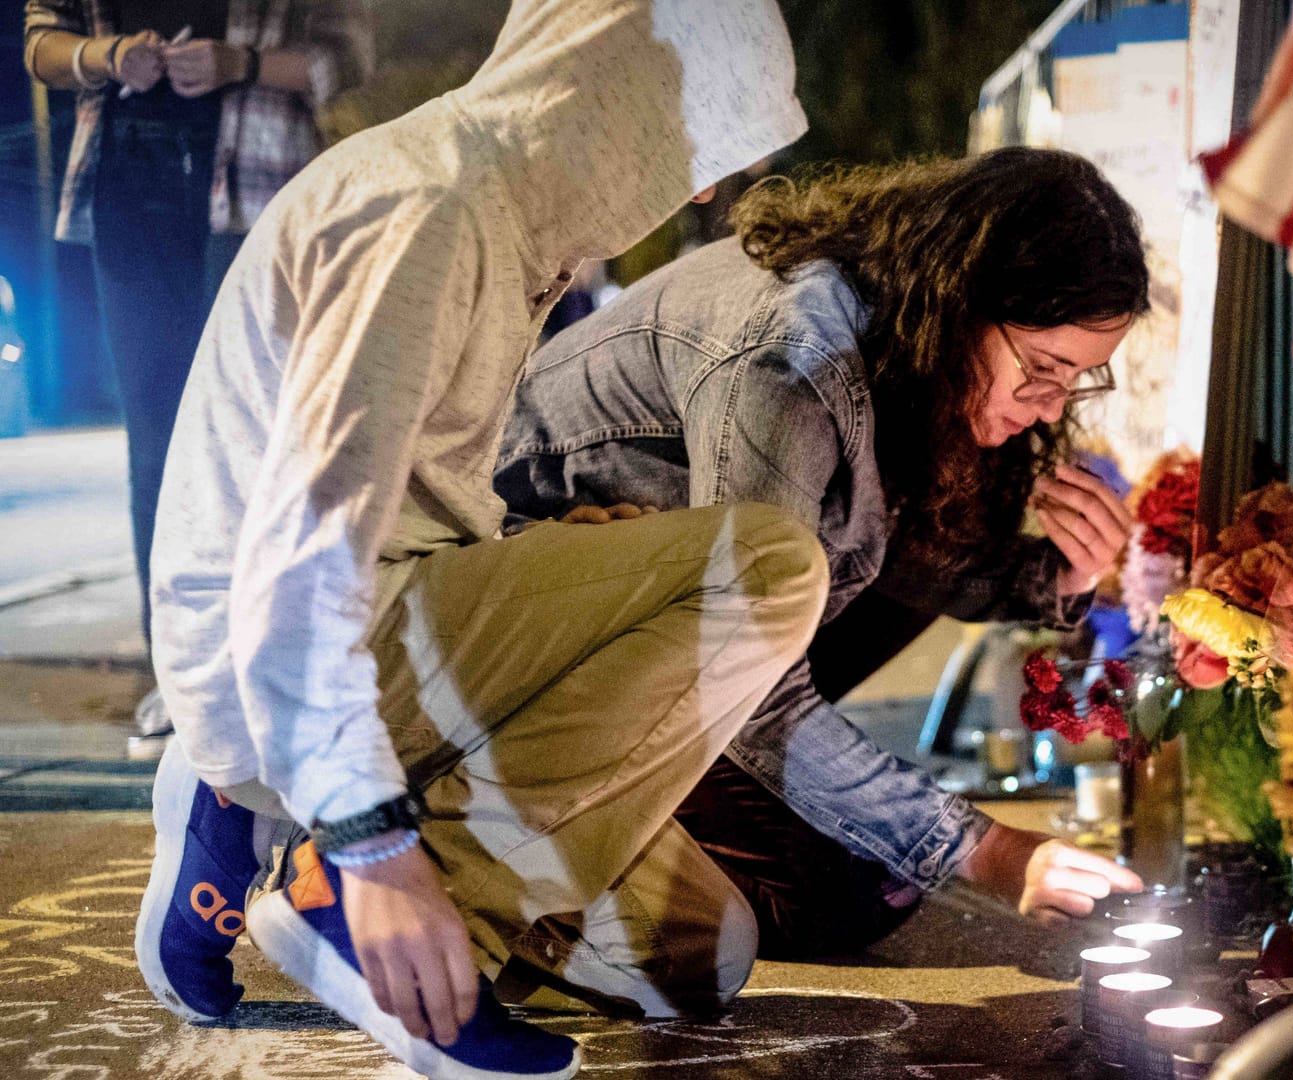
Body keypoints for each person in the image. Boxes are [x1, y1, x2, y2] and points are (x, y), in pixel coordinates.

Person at [137, 2, 817, 1077]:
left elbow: (409, 489)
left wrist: (534, 553)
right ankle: (330, 879)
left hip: (381, 627)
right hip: (295, 646)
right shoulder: (429, 209)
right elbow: (305, 553)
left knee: (698, 957)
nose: (695, 190)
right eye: (701, 144)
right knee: (769, 567)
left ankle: (261, 815)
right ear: (616, 92)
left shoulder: (504, 221)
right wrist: (380, 849)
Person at [493, 147, 1151, 971]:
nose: (1051, 405)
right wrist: (987, 853)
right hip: (524, 666)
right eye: (1041, 369)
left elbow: (889, 553)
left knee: (872, 874)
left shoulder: (897, 343)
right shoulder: (790, 369)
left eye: (1078, 380)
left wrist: (1055, 577)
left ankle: (650, 821)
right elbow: (748, 677)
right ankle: (508, 843)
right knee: (818, 903)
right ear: (956, 301)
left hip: (664, 640)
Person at [22, 0, 374, 738]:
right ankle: (183, 680)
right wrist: (109, 56)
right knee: (157, 440)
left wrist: (237, 65)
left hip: (257, 198)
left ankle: (279, 664)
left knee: (264, 435)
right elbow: (41, 43)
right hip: (123, 194)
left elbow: (347, 59)